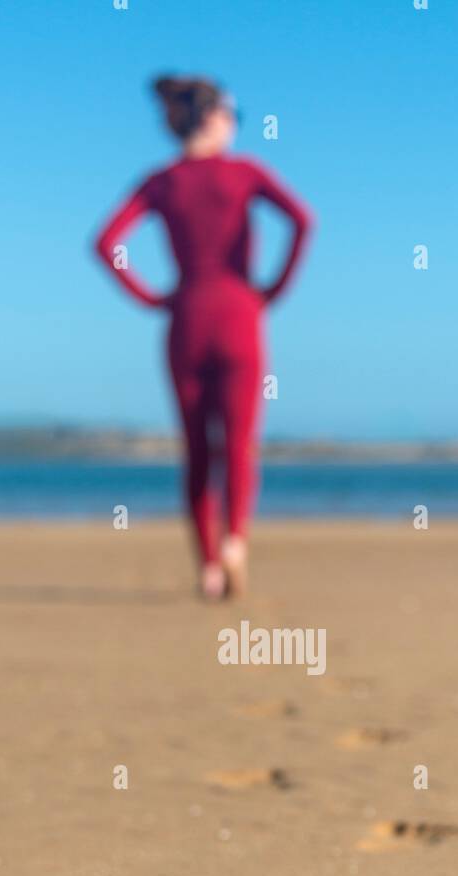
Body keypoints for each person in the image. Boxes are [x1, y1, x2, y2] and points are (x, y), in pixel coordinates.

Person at [95, 76, 313, 598]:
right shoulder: (245, 173)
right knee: (238, 447)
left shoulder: (162, 181)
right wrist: (273, 290)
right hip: (240, 313)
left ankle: (209, 568)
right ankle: (236, 540)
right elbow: (303, 221)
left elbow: (106, 244)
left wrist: (153, 298)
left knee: (197, 450)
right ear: (215, 118)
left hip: (186, 317)